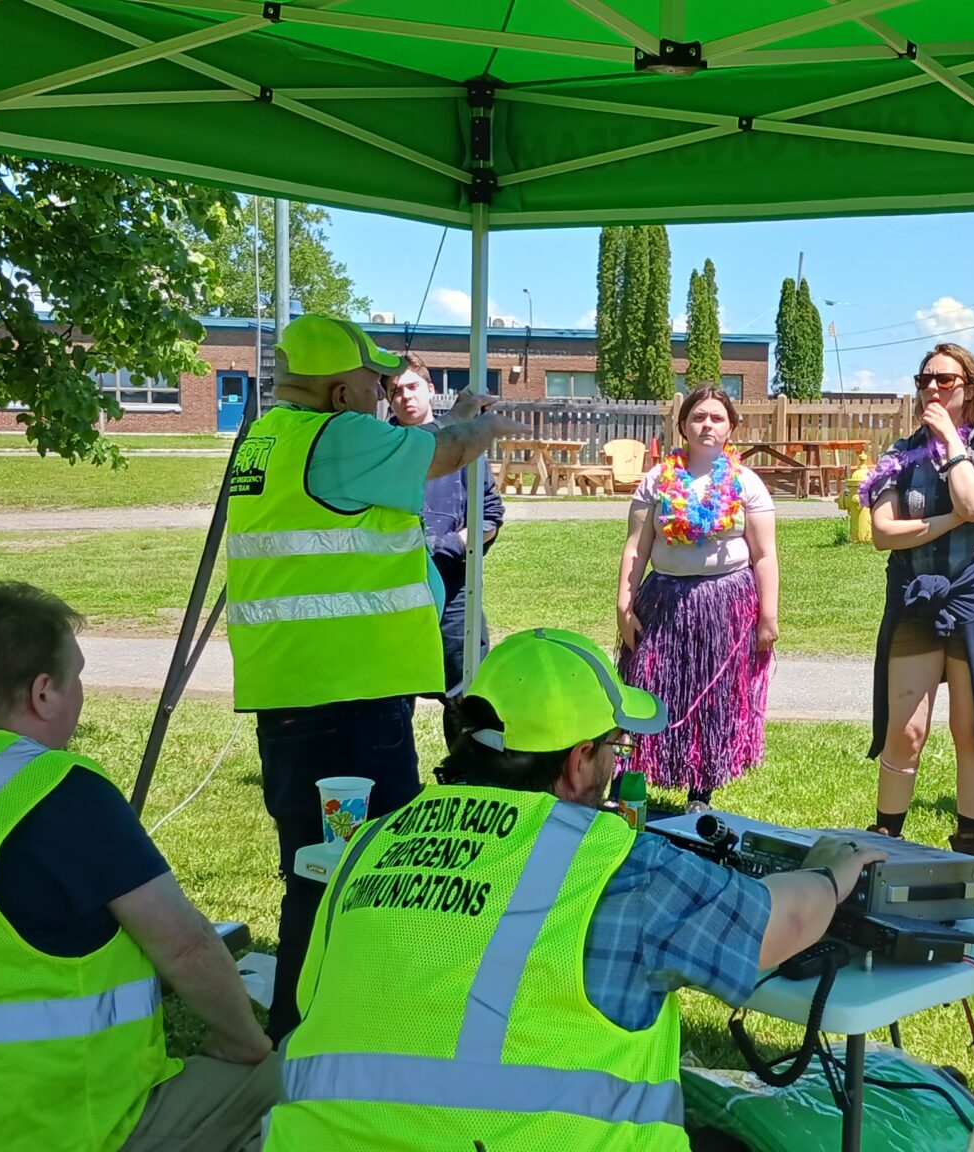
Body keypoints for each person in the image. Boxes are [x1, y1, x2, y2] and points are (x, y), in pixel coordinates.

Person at [263, 628, 885, 1150]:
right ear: (577, 760)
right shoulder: (614, 865)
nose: (617, 763)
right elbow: (781, 927)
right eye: (615, 747)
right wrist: (830, 869)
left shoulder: (367, 845)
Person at [0, 582, 276, 1151]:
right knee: (288, 1083)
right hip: (33, 1129)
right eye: (77, 677)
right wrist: (245, 1045)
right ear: (43, 693)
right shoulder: (58, 789)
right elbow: (186, 947)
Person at [224, 313, 524, 1041]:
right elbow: (448, 451)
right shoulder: (338, 435)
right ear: (337, 392)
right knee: (359, 872)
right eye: (373, 381)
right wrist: (473, 421)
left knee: (314, 871)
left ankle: (313, 1024)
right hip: (346, 708)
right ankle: (334, 1029)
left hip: (300, 699)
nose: (385, 392)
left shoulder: (267, 438)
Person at [862, 343, 974, 858]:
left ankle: (969, 842)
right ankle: (887, 837)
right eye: (925, 379)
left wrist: (951, 440)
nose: (932, 388)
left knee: (969, 727)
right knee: (905, 730)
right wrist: (954, 520)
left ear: (970, 389)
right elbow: (885, 533)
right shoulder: (896, 456)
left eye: (946, 381)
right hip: (915, 596)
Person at [616, 386, 779, 812]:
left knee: (713, 695)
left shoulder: (746, 483)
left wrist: (768, 615)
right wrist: (624, 605)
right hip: (664, 599)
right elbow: (636, 546)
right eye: (698, 417)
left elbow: (764, 555)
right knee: (648, 685)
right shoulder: (657, 480)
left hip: (726, 603)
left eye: (717, 418)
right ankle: (628, 780)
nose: (708, 425)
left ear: (731, 428)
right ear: (683, 426)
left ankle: (700, 790)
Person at [387, 355, 504, 728]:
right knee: (391, 698)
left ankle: (468, 777)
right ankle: (396, 783)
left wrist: (446, 545)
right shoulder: (383, 451)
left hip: (455, 591)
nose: (404, 397)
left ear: (430, 389)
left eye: (411, 387)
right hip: (396, 594)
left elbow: (490, 516)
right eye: (394, 392)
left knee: (467, 697)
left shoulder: (463, 447)